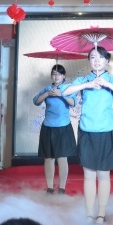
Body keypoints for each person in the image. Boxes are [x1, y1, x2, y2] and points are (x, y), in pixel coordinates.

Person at [59, 46, 113, 224]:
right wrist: (87, 85)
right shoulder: (83, 80)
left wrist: (107, 84)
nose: (97, 61)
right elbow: (64, 91)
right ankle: (89, 213)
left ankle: (101, 213)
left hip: (106, 132)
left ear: (107, 61)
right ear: (89, 61)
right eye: (93, 57)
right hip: (86, 131)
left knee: (104, 175)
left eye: (100, 57)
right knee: (89, 175)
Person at [33, 64, 77, 194]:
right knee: (48, 158)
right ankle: (50, 188)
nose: (56, 76)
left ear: (64, 76)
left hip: (63, 127)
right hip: (48, 127)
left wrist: (61, 94)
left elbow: (73, 103)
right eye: (54, 74)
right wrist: (47, 94)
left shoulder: (68, 89)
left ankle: (62, 188)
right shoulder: (48, 89)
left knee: (62, 158)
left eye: (59, 74)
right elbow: (36, 101)